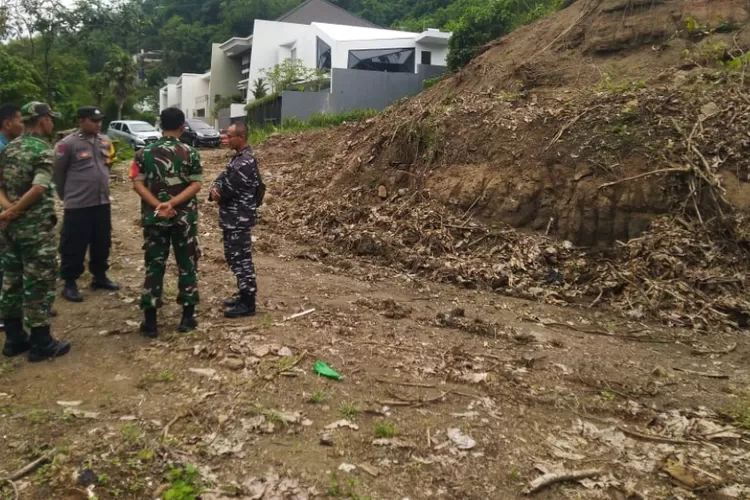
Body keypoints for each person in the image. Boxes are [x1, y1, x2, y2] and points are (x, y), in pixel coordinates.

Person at [0, 102, 70, 361]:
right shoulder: (42, 150)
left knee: (12, 281)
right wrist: (18, 209)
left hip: (10, 229)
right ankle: (42, 342)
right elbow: (39, 188)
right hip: (35, 229)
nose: (52, 123)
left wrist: (8, 211)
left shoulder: (11, 147)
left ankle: (14, 339)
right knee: (39, 281)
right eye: (51, 119)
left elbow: (1, 185)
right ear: (43, 120)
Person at [129, 107, 202, 337]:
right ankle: (187, 317)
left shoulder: (143, 153)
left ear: (160, 125)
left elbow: (137, 184)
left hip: (155, 218)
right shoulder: (191, 152)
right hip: (184, 219)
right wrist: (173, 204)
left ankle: (150, 321)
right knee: (187, 264)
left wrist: (158, 205)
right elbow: (196, 184)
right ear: (182, 127)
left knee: (154, 265)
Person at [53, 106, 120, 302]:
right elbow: (58, 174)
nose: (98, 124)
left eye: (99, 121)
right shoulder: (67, 144)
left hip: (101, 202)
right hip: (78, 205)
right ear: (81, 120)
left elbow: (109, 164)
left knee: (102, 242)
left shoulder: (105, 141)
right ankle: (70, 282)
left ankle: (99, 276)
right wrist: (66, 196)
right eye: (93, 120)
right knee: (74, 244)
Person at [209, 123, 264, 317]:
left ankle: (248, 303)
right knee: (234, 257)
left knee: (241, 260)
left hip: (239, 219)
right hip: (233, 218)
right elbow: (221, 178)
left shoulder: (245, 161)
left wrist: (218, 193)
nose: (226, 139)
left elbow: (228, 187)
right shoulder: (237, 159)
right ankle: (243, 294)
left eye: (230, 136)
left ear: (241, 137)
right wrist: (215, 187)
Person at [0, 104, 26, 332]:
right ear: (7, 123)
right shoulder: (1, 148)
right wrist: (9, 209)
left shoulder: (10, 146)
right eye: (19, 120)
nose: (22, 124)